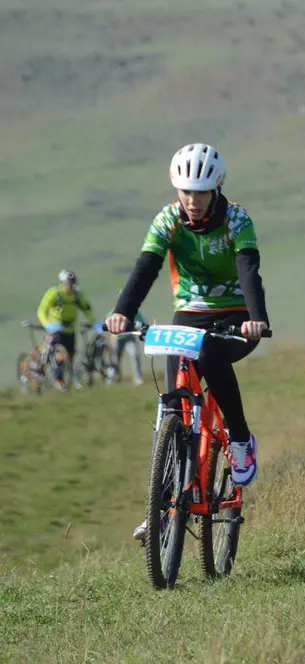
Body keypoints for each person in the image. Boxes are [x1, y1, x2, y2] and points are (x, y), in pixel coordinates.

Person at [108, 143, 269, 543]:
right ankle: (160, 508)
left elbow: (249, 269)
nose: (192, 201)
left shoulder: (236, 220)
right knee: (175, 404)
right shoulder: (167, 220)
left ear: (215, 188)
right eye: (185, 192)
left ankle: (240, 437)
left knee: (210, 353)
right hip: (190, 315)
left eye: (200, 192)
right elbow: (146, 267)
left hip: (235, 315)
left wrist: (256, 319)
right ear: (176, 189)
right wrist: (122, 311)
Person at [37, 269, 96, 389]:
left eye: (72, 283)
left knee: (70, 356)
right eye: (68, 283)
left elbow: (86, 309)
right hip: (56, 330)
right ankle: (58, 379)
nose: (70, 286)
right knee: (57, 355)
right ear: (63, 283)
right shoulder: (54, 293)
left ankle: (67, 380)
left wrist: (94, 322)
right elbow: (42, 310)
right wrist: (47, 324)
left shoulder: (77, 295)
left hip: (70, 330)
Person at [108, 291, 148, 385]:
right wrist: (112, 336)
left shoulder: (135, 311)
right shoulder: (115, 311)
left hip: (130, 336)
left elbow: (142, 322)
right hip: (117, 337)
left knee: (135, 354)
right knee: (115, 358)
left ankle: (138, 377)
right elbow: (109, 323)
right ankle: (114, 377)